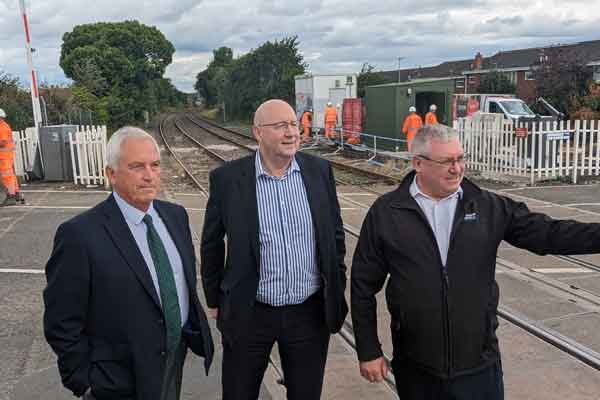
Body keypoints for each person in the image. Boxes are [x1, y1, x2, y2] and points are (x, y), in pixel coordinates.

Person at [351, 124, 600, 400]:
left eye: (460, 159)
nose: (457, 169)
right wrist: (369, 349)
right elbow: (362, 285)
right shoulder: (387, 212)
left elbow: (549, 234)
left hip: (479, 366)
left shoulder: (487, 206)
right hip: (417, 367)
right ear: (418, 164)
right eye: (446, 161)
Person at [44, 127, 214, 400]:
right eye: (136, 167)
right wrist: (85, 382)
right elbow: (61, 321)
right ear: (111, 174)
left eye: (155, 165)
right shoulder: (79, 235)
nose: (149, 176)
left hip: (172, 359)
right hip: (116, 380)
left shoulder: (175, 216)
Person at [201, 99, 347, 400]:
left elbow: (334, 235)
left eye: (293, 124)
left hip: (308, 312)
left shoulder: (319, 171)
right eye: (280, 125)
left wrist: (337, 283)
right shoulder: (228, 180)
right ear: (258, 132)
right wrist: (214, 298)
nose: (291, 132)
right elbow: (211, 243)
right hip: (250, 312)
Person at [0, 108, 24, 206]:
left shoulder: (2, 128)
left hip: (4, 157)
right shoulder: (3, 126)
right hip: (5, 156)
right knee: (10, 176)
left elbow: (3, 142)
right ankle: (16, 193)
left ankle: (11, 196)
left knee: (7, 177)